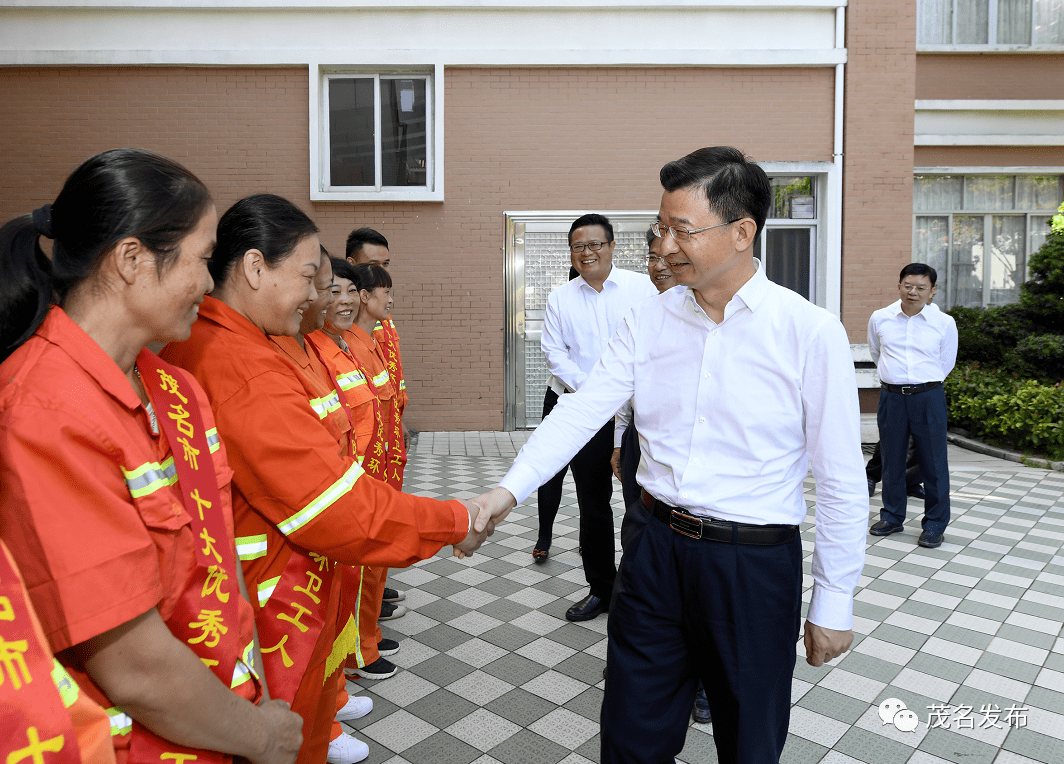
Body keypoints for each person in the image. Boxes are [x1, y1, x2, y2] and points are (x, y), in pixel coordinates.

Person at [471, 147, 868, 763]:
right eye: (662, 228)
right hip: (654, 550)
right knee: (632, 734)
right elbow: (583, 407)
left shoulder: (808, 332)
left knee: (749, 742)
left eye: (683, 229)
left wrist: (834, 599)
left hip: (751, 566)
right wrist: (509, 488)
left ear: (742, 232)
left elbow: (842, 480)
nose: (666, 245)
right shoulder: (651, 319)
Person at [161, 194, 490, 764]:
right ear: (256, 267)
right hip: (272, 607)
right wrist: (454, 520)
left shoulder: (245, 345)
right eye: (311, 278)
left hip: (291, 585)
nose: (319, 296)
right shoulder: (236, 364)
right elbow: (331, 506)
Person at [0, 149, 304, 764]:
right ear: (133, 260)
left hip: (219, 721)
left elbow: (219, 562)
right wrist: (262, 737)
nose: (207, 281)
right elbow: (132, 665)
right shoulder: (41, 413)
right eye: (200, 258)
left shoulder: (175, 389)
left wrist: (253, 710)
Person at [609, 228, 710, 727]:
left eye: (674, 247)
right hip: (643, 454)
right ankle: (649, 660)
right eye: (653, 254)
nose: (662, 260)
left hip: (726, 527)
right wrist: (618, 441)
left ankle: (704, 684)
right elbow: (618, 395)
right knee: (638, 536)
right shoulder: (644, 318)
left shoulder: (781, 324)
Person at [536, 213, 657, 621]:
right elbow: (555, 354)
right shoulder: (560, 298)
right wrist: (598, 394)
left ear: (612, 246)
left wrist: (621, 401)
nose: (587, 253)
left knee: (642, 505)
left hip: (637, 417)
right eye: (578, 247)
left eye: (595, 245)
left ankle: (641, 592)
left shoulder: (643, 289)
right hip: (583, 410)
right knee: (592, 503)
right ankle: (601, 589)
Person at [307, 257, 402, 685]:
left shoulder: (354, 344)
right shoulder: (316, 351)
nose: (343, 300)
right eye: (334, 290)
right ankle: (355, 655)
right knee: (348, 579)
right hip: (348, 488)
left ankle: (363, 643)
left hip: (378, 475)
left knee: (369, 570)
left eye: (349, 290)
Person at [867, 263, 957, 549]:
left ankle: (934, 525)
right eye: (908, 286)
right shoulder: (880, 319)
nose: (913, 292)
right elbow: (876, 352)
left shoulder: (944, 323)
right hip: (891, 397)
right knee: (892, 461)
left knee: (933, 463)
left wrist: (922, 385)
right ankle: (892, 517)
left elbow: (946, 362)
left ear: (932, 292)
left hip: (928, 396)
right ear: (899, 286)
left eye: (920, 288)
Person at [344, 229, 408, 622]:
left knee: (382, 535)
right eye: (373, 266)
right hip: (366, 463)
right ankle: (363, 630)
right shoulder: (345, 338)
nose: (382, 274)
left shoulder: (382, 325)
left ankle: (375, 597)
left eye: (386, 265)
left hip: (389, 449)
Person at [532, 264, 582, 564]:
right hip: (560, 397)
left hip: (598, 404)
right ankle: (544, 536)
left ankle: (588, 539)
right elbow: (555, 356)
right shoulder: (560, 309)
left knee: (591, 478)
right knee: (551, 471)